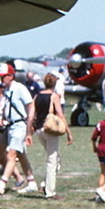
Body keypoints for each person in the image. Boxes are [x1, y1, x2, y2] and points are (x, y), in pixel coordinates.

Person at [0, 63, 36, 194]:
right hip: (10, 125)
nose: (1, 80)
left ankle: (2, 183)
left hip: (20, 125)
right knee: (21, 155)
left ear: (10, 76)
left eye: (3, 77)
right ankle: (31, 182)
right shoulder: (7, 90)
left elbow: (31, 106)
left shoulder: (19, 88)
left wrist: (29, 128)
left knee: (11, 154)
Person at [26, 72, 72, 200]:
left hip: (39, 130)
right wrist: (68, 132)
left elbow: (31, 116)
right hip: (50, 129)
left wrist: (29, 133)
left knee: (56, 159)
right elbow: (60, 115)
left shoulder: (37, 96)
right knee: (52, 160)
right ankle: (50, 192)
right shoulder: (54, 96)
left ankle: (44, 184)